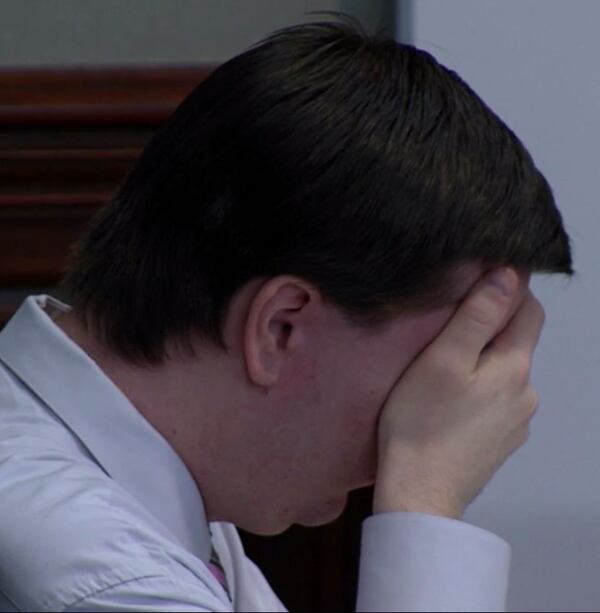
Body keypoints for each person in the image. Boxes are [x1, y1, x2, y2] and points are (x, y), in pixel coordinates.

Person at [0, 20, 572, 612]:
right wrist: (428, 496)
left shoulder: (144, 500)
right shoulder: (99, 576)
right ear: (280, 327)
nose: (438, 421)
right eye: (430, 374)